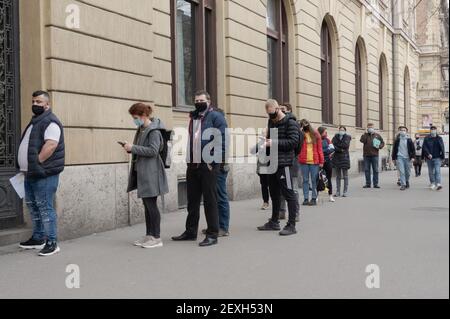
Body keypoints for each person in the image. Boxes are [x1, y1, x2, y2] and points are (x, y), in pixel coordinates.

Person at [172, 90, 227, 247]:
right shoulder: (194, 117)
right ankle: (190, 232)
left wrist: (213, 162)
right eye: (196, 100)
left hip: (208, 166)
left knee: (210, 201)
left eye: (201, 100)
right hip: (193, 165)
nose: (198, 102)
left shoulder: (216, 117)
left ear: (209, 101)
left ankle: (212, 234)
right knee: (192, 201)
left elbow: (221, 142)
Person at [18, 91, 65, 257]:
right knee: (33, 205)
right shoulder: (35, 121)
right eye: (33, 101)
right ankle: (38, 238)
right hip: (30, 173)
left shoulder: (50, 121)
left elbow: (51, 145)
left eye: (39, 101)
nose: (35, 104)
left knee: (45, 207)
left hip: (44, 173)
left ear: (47, 105)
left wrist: (36, 162)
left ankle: (52, 242)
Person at [124, 103, 169, 248]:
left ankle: (156, 237)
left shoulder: (153, 131)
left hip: (152, 173)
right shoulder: (142, 129)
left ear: (144, 115)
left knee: (151, 205)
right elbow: (143, 149)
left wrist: (134, 148)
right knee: (147, 205)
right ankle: (149, 235)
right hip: (144, 172)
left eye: (135, 117)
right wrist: (131, 149)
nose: (134, 120)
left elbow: (153, 151)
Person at [257, 99, 300, 236]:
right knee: (274, 194)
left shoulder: (291, 122)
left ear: (278, 109)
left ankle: (291, 225)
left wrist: (273, 142)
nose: (270, 116)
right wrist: (265, 141)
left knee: (289, 194)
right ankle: (274, 222)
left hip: (284, 164)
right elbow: (270, 139)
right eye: (268, 114)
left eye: (272, 113)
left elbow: (294, 142)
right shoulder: (271, 121)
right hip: (272, 164)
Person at [202, 107, 230, 237]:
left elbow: (222, 149)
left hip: (219, 166)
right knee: (214, 196)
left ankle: (223, 227)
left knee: (220, 196)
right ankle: (214, 225)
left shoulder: (221, 130)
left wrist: (215, 163)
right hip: (215, 165)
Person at [298, 119, 324, 206]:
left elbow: (320, 148)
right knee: (305, 180)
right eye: (303, 124)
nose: (305, 125)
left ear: (309, 124)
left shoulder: (316, 134)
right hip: (303, 161)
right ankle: (306, 198)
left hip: (314, 161)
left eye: (306, 123)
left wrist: (321, 161)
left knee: (314, 180)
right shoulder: (301, 134)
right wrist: (299, 131)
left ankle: (313, 198)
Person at [360, 123, 385, 188]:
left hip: (375, 155)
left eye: (371, 127)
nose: (370, 128)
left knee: (375, 170)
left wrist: (379, 146)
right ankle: (368, 184)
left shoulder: (377, 135)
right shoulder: (365, 135)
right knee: (366, 170)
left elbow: (382, 143)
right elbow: (362, 140)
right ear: (367, 128)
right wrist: (365, 133)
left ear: (373, 128)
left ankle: (375, 184)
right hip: (366, 155)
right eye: (369, 127)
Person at [392, 126, 415, 191]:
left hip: (407, 158)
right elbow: (394, 149)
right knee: (401, 171)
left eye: (404, 130)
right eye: (401, 130)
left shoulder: (409, 140)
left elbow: (413, 150)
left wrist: (413, 157)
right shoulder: (397, 140)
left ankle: (407, 180)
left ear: (406, 132)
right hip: (400, 157)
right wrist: (393, 158)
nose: (402, 131)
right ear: (399, 131)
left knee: (407, 172)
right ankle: (403, 185)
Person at [422, 126, 445, 191]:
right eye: (432, 129)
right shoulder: (426, 138)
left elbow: (442, 147)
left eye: (434, 129)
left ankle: (438, 183)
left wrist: (442, 157)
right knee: (431, 171)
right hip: (429, 158)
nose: (433, 130)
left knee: (437, 171)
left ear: (436, 130)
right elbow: (424, 147)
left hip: (437, 157)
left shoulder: (439, 138)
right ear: (430, 130)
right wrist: (428, 154)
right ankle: (432, 183)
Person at [331, 126, 351, 197]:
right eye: (340, 130)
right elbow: (332, 145)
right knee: (338, 176)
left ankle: (345, 191)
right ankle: (338, 191)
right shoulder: (335, 137)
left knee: (345, 176)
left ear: (345, 131)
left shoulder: (348, 137)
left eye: (343, 130)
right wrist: (340, 149)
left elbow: (345, 145)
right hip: (336, 158)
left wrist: (337, 147)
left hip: (344, 158)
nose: (341, 131)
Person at [318, 127, 335, 202]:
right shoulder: (316, 140)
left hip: (328, 161)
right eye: (325, 132)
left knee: (329, 179)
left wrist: (322, 151)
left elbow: (332, 149)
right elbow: (317, 151)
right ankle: (316, 196)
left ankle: (330, 195)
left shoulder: (327, 140)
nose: (326, 134)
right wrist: (326, 151)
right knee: (318, 179)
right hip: (319, 162)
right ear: (321, 133)